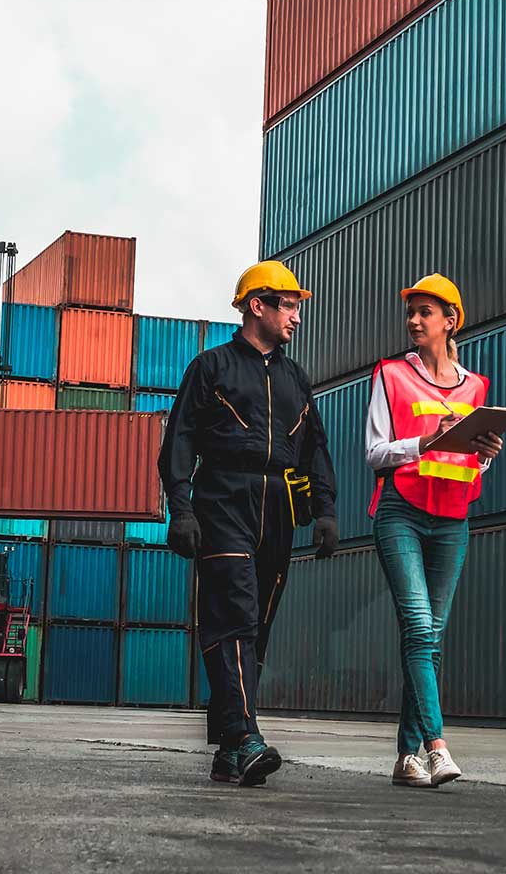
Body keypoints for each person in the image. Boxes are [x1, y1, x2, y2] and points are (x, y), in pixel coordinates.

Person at [159, 260, 338, 787]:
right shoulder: (211, 367)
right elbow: (180, 440)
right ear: (256, 305)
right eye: (290, 305)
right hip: (223, 500)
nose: (298, 317)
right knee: (232, 617)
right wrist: (182, 508)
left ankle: (228, 749)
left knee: (255, 630)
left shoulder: (294, 378)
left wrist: (324, 510)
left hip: (277, 507)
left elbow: (315, 448)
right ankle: (246, 738)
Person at [365, 274, 502, 788]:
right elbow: (375, 453)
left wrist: (484, 456)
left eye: (425, 312)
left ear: (451, 321)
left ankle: (405, 757)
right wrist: (422, 441)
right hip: (400, 510)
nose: (414, 320)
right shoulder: (390, 375)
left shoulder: (476, 387)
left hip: (453, 518)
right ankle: (437, 746)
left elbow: (467, 461)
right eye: (411, 312)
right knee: (420, 629)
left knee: (427, 640)